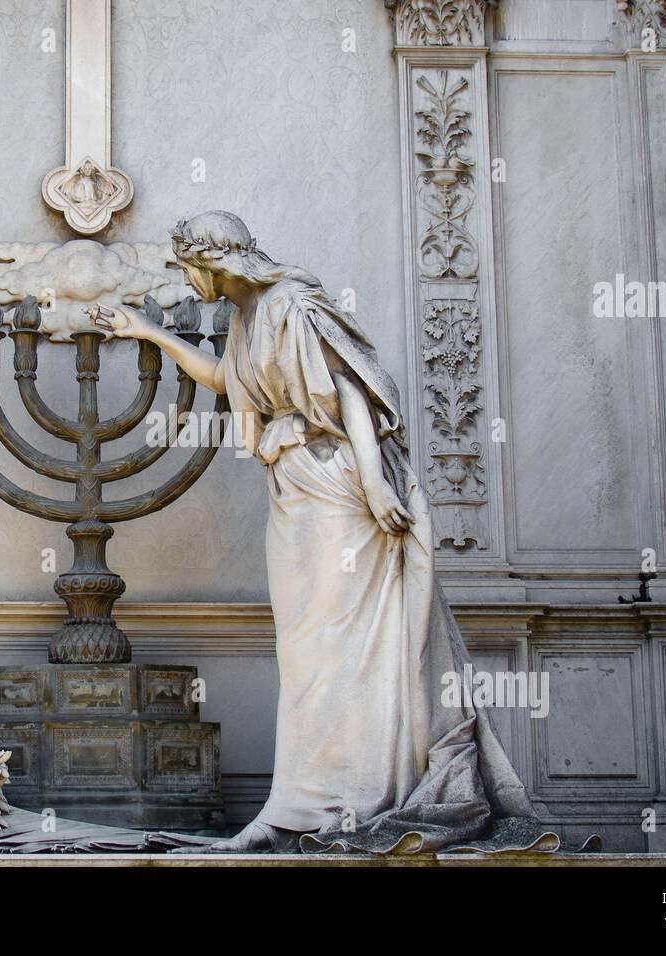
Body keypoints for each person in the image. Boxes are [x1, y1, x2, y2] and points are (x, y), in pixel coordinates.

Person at [93, 210, 543, 853]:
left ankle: (353, 800)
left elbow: (351, 395)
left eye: (188, 266)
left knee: (344, 648)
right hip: (294, 490)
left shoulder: (292, 305)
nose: (187, 280)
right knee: (305, 652)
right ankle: (298, 805)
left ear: (211, 261)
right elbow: (229, 382)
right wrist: (150, 333)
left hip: (337, 488)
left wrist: (376, 482)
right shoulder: (246, 318)